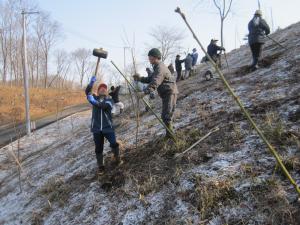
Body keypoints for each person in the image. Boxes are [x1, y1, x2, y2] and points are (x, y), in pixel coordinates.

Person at [133, 48, 178, 138]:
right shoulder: (157, 67)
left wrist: (144, 92)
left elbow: (155, 82)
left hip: (170, 92)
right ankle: (169, 135)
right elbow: (150, 79)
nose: (149, 59)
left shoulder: (160, 68)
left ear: (156, 57)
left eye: (150, 57)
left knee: (166, 115)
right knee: (166, 115)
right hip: (166, 93)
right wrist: (140, 78)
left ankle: (172, 137)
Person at [85, 76, 122, 174]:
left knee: (114, 143)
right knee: (98, 148)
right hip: (96, 129)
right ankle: (101, 166)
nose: (103, 89)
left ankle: (117, 158)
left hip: (108, 128)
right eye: (101, 88)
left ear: (106, 91)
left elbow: (103, 106)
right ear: (98, 91)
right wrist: (91, 84)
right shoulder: (95, 97)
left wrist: (93, 101)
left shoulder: (109, 100)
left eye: (105, 88)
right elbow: (87, 91)